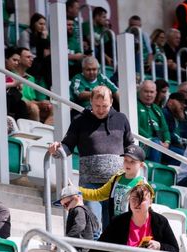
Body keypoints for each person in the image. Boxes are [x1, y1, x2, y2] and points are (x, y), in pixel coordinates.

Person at [48, 86, 133, 231]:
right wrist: (57, 150)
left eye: (104, 106)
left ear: (111, 102)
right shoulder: (79, 120)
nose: (100, 110)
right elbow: (68, 145)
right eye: (97, 106)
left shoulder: (121, 119)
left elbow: (129, 146)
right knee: (93, 226)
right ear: (90, 102)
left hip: (116, 183)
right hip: (90, 184)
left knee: (113, 229)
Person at [79, 145, 147, 223]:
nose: (128, 164)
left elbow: (144, 213)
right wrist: (77, 191)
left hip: (131, 227)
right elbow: (98, 194)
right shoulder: (116, 178)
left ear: (141, 165)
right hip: (115, 224)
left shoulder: (143, 185)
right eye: (125, 160)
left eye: (132, 161)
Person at [54, 185, 99, 252]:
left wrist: (64, 241)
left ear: (76, 198)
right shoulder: (88, 211)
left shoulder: (78, 209)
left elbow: (79, 226)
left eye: (66, 204)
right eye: (63, 206)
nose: (65, 208)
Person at [15, 47, 53, 125]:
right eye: (28, 57)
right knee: (34, 107)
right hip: (19, 103)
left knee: (53, 108)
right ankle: (37, 130)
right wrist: (38, 103)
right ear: (19, 58)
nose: (32, 59)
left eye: (32, 57)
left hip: (30, 104)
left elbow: (32, 99)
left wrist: (41, 103)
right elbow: (18, 97)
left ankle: (43, 128)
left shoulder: (31, 78)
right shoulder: (11, 74)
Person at [137, 80, 170, 163]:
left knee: (179, 152)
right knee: (155, 143)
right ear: (139, 91)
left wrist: (167, 142)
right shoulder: (134, 105)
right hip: (141, 143)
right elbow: (135, 126)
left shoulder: (157, 109)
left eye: (151, 92)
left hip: (158, 143)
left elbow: (165, 129)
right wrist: (151, 139)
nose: (149, 95)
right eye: (146, 91)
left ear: (155, 93)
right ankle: (154, 168)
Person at [162, 92, 187, 162]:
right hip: (168, 146)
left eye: (184, 103)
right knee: (186, 156)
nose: (183, 105)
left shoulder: (180, 117)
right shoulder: (164, 113)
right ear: (170, 102)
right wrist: (180, 140)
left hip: (178, 147)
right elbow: (166, 133)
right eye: (180, 102)